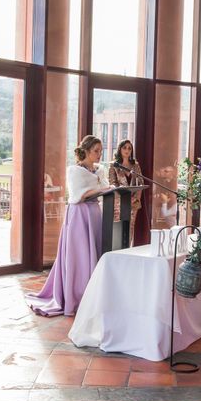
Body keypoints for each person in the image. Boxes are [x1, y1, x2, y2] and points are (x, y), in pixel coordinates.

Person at [27, 135, 111, 316]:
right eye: (96, 151)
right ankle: (76, 296)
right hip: (79, 215)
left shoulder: (100, 170)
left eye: (101, 151)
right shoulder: (75, 170)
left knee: (94, 251)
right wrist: (101, 189)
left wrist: (104, 189)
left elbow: (106, 186)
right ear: (86, 151)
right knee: (79, 254)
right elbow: (77, 194)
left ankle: (93, 295)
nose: (99, 154)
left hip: (95, 214)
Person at [108, 139, 143, 246]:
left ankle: (128, 250)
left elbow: (141, 182)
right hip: (119, 203)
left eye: (129, 148)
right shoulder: (114, 165)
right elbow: (113, 184)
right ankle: (117, 251)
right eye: (124, 148)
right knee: (119, 230)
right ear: (119, 149)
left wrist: (136, 198)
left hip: (134, 203)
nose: (127, 150)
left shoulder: (135, 165)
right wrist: (125, 197)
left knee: (130, 229)